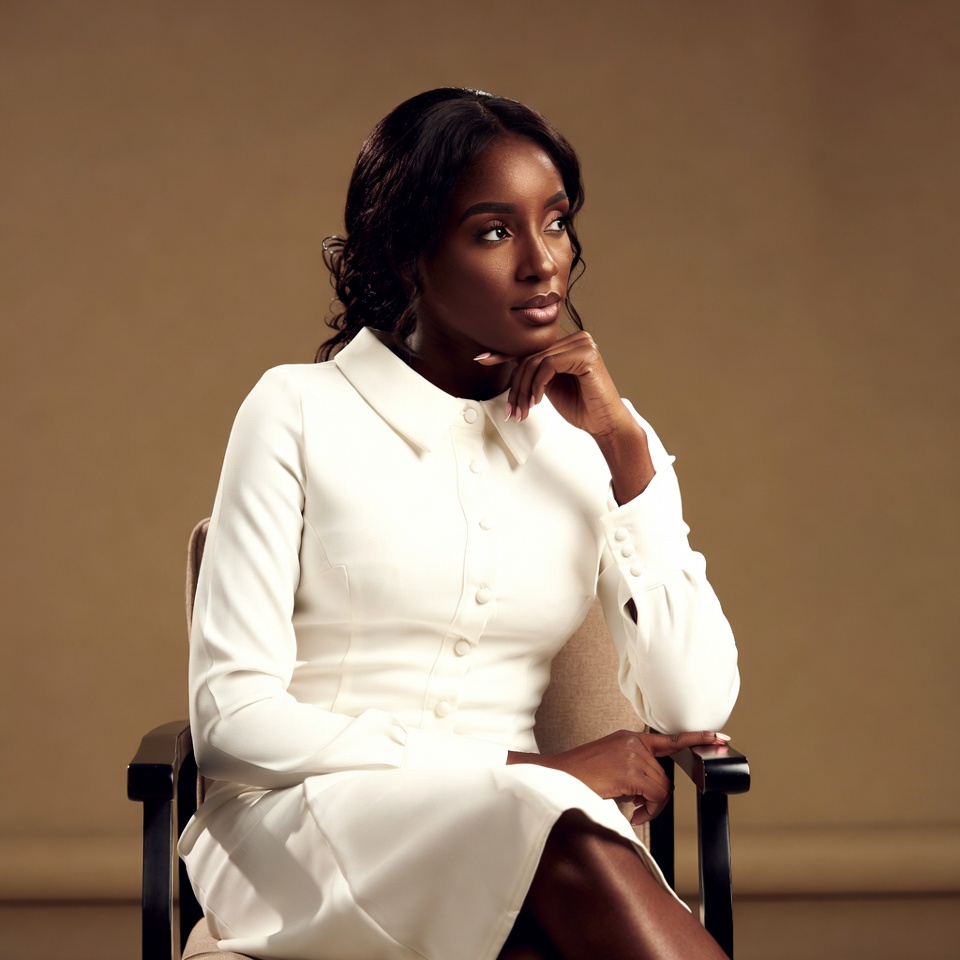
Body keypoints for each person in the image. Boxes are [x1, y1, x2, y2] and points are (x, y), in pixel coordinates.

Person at [180, 87, 740, 960]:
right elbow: (232, 719)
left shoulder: (594, 439)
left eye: (554, 223)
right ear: (410, 256)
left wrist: (629, 454)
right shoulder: (293, 409)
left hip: (523, 827)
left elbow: (697, 705)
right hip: (300, 826)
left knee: (541, 857)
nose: (542, 263)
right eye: (492, 231)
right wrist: (525, 772)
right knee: (553, 825)